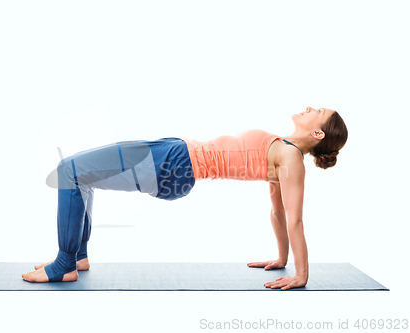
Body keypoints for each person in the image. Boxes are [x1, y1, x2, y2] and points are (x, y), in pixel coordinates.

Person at [22, 106, 348, 290]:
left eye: (317, 111)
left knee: (70, 170)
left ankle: (64, 264)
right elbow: (277, 213)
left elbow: (293, 217)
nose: (309, 107)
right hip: (175, 158)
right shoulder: (284, 150)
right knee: (82, 176)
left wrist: (302, 274)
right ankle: (77, 256)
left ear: (317, 133)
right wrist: (281, 257)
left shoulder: (290, 159)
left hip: (174, 163)